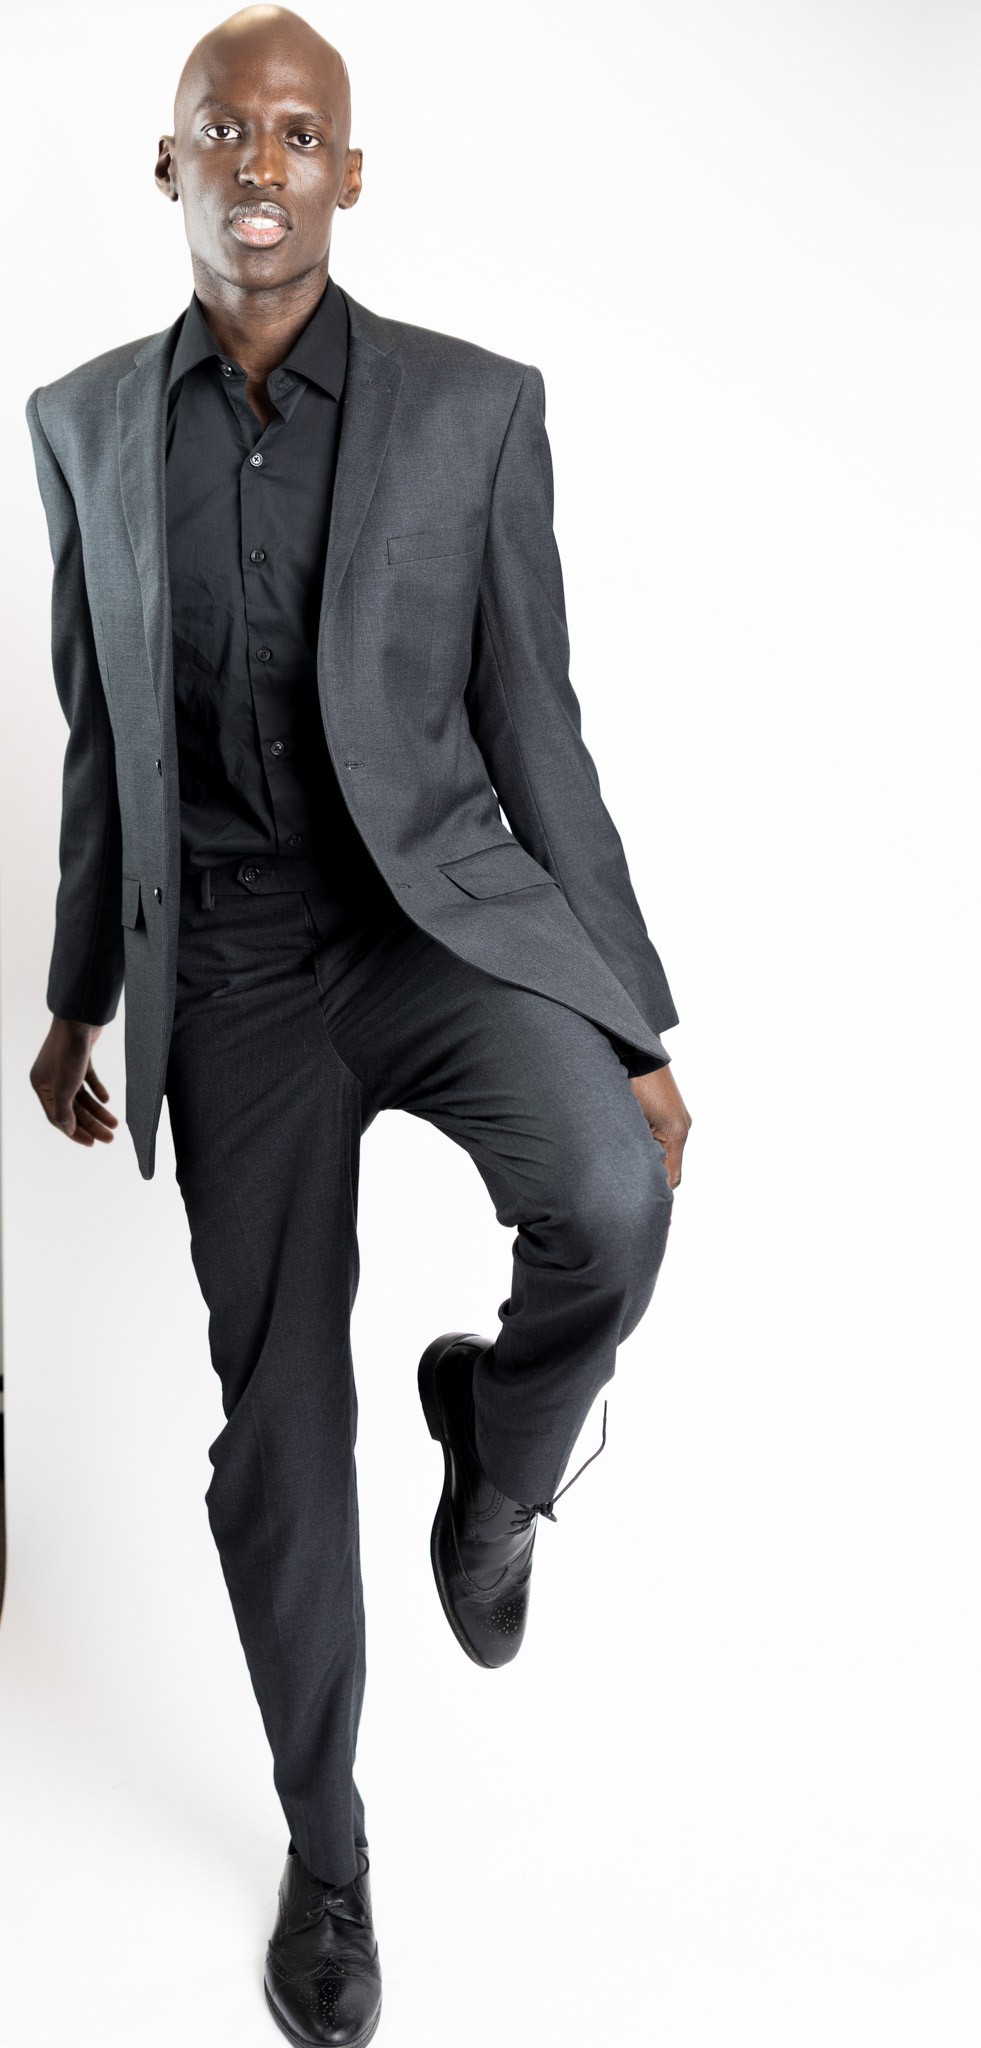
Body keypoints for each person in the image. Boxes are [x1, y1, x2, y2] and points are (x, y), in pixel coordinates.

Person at [24, 7, 692, 2041]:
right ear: (169, 166)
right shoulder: (78, 426)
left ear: (347, 172)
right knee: (280, 1431)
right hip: (229, 966)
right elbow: (98, 739)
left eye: (297, 132)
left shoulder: (471, 412)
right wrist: (74, 995)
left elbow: (536, 730)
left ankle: (495, 1466)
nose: (260, 161)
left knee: (608, 1196)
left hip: (432, 925)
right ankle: (328, 1853)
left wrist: (632, 1019)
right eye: (224, 129)